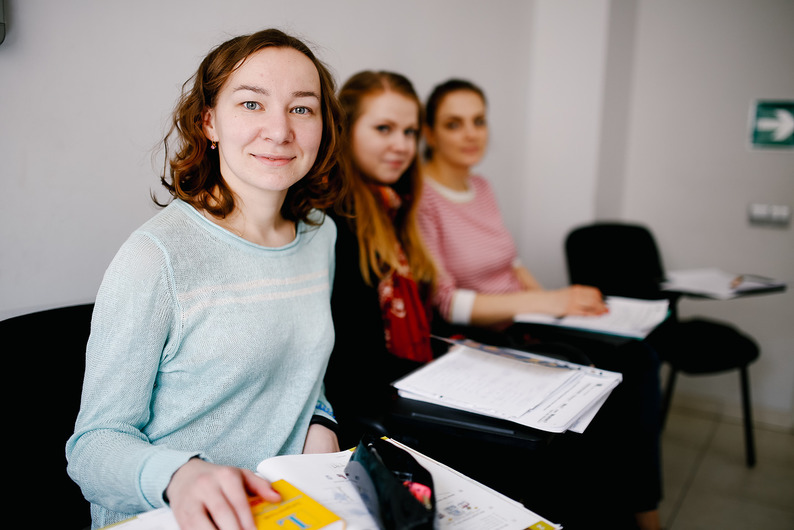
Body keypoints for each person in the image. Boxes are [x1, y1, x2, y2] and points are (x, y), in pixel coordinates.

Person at [66, 29, 345, 530]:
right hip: (167, 517)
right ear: (209, 122)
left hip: (283, 510)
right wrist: (182, 476)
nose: (280, 131)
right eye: (252, 105)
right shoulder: (156, 258)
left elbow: (300, 371)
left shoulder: (320, 235)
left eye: (302, 109)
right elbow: (92, 449)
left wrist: (321, 421)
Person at [417, 78, 662, 530]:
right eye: (454, 124)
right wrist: (552, 300)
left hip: (529, 313)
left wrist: (563, 306)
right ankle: (621, 509)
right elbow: (447, 302)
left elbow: (511, 261)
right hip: (489, 331)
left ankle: (642, 507)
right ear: (430, 134)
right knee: (599, 386)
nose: (471, 134)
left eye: (478, 121)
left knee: (639, 356)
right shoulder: (422, 197)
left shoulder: (482, 186)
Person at [323, 70, 437, 451]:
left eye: (409, 132)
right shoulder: (332, 220)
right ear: (346, 130)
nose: (402, 145)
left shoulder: (396, 207)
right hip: (369, 404)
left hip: (410, 384)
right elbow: (352, 364)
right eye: (384, 129)